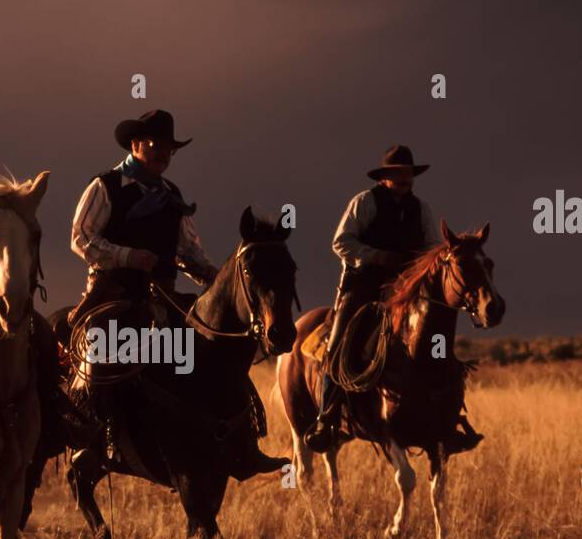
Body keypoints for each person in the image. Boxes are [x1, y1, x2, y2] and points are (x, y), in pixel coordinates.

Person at [68, 109, 285, 479]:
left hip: (162, 299)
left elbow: (189, 251)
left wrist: (216, 277)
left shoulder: (172, 197)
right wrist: (128, 256)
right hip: (112, 293)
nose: (163, 154)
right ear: (136, 144)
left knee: (218, 354)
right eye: (156, 146)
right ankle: (93, 439)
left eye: (169, 149)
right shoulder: (105, 186)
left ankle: (241, 443)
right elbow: (81, 238)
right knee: (100, 360)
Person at [304, 145, 482, 453]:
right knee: (337, 344)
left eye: (408, 173)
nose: (404, 178)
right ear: (385, 177)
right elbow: (341, 242)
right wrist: (378, 257)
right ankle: (326, 415)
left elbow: (431, 249)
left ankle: (446, 420)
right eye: (398, 173)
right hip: (361, 287)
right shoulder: (364, 202)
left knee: (435, 343)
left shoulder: (421, 209)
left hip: (405, 288)